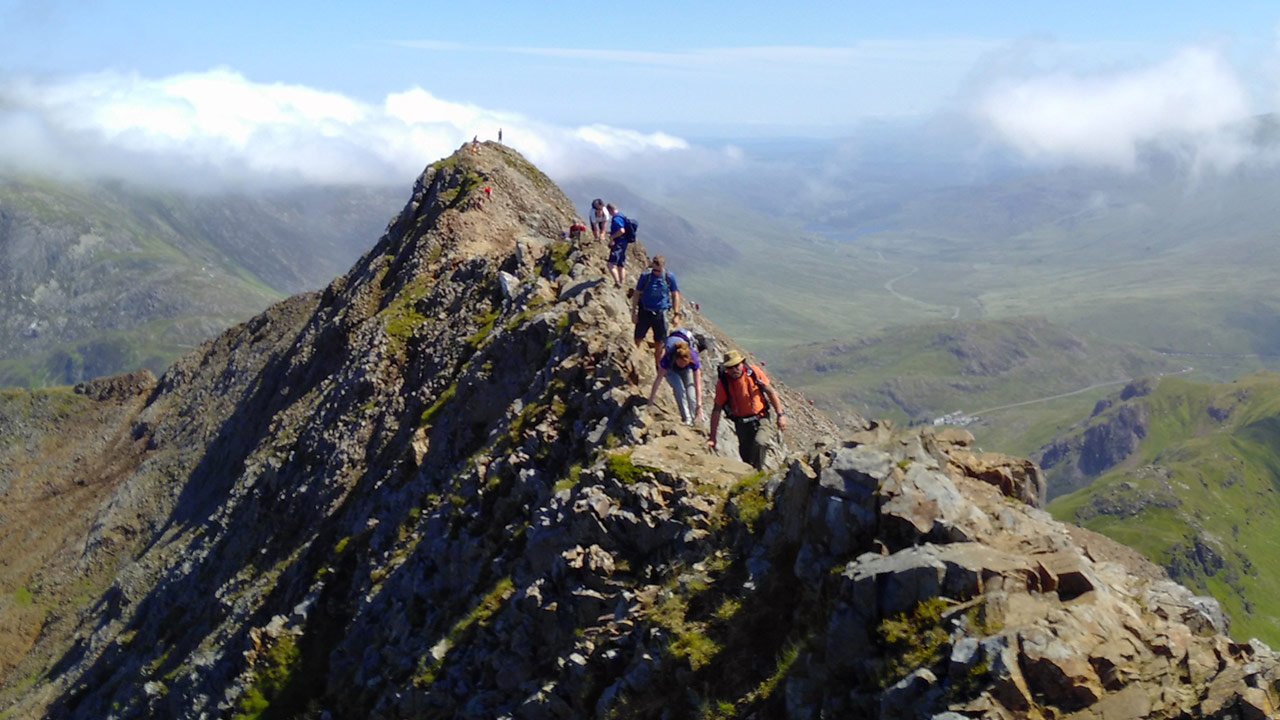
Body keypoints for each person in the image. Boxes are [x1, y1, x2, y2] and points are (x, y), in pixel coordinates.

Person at [708, 350, 788, 470]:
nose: (734, 370)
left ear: (742, 363)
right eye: (730, 367)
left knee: (760, 442)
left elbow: (770, 392)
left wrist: (780, 415)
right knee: (746, 458)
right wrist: (712, 437)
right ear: (726, 369)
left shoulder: (754, 373)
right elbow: (717, 410)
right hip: (742, 424)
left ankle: (758, 476)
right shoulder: (723, 383)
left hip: (761, 418)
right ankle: (754, 478)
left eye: (737, 365)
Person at [646, 316, 704, 424]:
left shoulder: (693, 358)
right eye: (680, 363)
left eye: (684, 363)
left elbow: (697, 384)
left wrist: (699, 406)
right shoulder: (668, 357)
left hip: (687, 370)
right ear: (676, 358)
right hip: (671, 370)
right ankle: (687, 419)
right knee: (679, 389)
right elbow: (658, 379)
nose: (682, 365)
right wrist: (651, 400)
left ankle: (696, 418)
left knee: (690, 391)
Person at [631, 255, 682, 367]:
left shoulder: (669, 277)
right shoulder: (646, 276)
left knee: (660, 342)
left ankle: (658, 367)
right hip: (645, 311)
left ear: (663, 267)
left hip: (660, 314)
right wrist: (633, 312)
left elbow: (675, 294)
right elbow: (636, 293)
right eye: (654, 269)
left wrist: (676, 314)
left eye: (658, 270)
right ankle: (635, 361)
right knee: (638, 337)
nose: (656, 272)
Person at [607, 203, 633, 287]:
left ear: (610, 210)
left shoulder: (616, 218)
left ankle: (617, 282)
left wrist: (612, 237)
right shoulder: (622, 215)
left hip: (618, 243)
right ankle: (622, 283)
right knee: (620, 264)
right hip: (624, 243)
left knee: (611, 264)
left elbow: (621, 230)